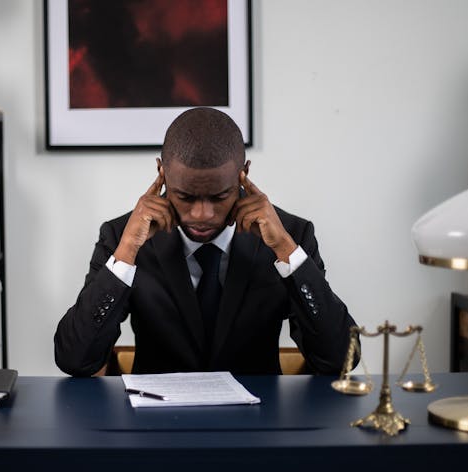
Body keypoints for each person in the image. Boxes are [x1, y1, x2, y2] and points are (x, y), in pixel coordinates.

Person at [54, 107, 358, 376]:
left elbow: (340, 360)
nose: (202, 214)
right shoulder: (121, 237)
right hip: (155, 431)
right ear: (161, 172)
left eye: (219, 196)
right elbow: (75, 360)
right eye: (185, 197)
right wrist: (126, 254)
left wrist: (287, 254)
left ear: (244, 174)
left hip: (260, 429)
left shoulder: (292, 235)